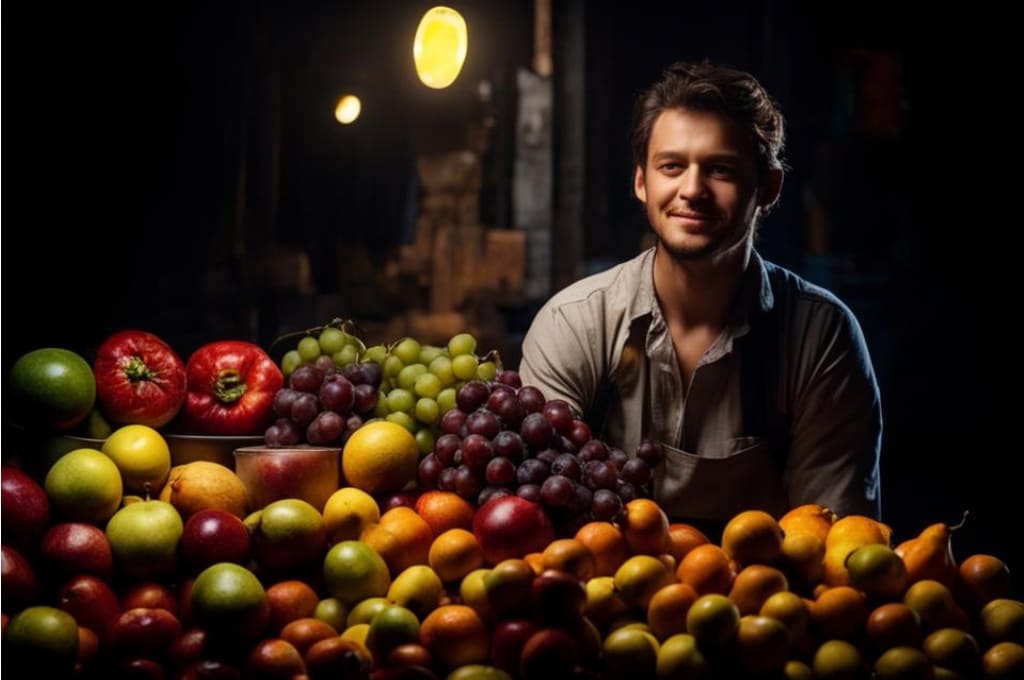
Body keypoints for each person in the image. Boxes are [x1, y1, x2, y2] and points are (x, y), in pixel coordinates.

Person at [518, 60, 881, 528]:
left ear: (768, 188)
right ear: (641, 181)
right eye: (671, 166)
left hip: (771, 599)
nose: (692, 190)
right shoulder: (575, 323)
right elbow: (542, 522)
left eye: (721, 170)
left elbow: (836, 545)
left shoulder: (820, 336)